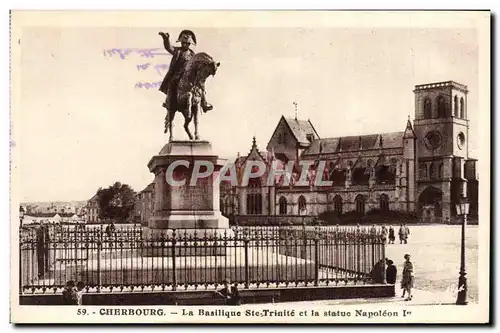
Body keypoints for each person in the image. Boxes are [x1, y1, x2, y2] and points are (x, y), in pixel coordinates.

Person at [158, 30, 213, 113]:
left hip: (190, 76)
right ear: (181, 43)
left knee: (200, 84)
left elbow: (196, 63)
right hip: (178, 74)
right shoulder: (178, 51)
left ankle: (204, 103)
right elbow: (169, 47)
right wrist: (166, 39)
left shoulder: (192, 54)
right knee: (172, 83)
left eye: (187, 43)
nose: (185, 45)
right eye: (184, 43)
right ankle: (168, 102)